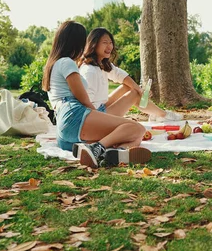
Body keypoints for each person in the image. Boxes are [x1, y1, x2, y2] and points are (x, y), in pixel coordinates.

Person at [43, 21, 151, 169]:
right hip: (74, 116)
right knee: (137, 129)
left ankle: (118, 152)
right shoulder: (67, 63)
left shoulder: (53, 64)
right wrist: (100, 117)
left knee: (133, 137)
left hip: (65, 130)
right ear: (75, 42)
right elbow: (82, 98)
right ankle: (97, 148)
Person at [78, 28, 182, 122]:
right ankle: (162, 115)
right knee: (133, 94)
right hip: (96, 117)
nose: (109, 46)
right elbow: (85, 105)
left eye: (110, 42)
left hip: (100, 107)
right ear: (94, 44)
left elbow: (120, 75)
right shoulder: (89, 71)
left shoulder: (102, 64)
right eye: (105, 42)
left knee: (129, 87)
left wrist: (140, 90)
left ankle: (156, 114)